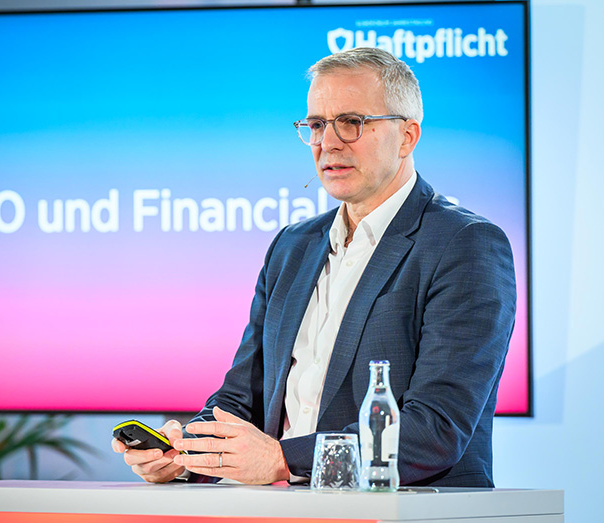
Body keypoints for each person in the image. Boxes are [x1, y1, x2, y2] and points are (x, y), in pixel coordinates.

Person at [112, 47, 516, 487]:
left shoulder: (465, 244)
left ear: (407, 136)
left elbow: (436, 429)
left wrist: (283, 459)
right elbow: (242, 398)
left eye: (351, 122)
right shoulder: (292, 246)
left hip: (405, 508)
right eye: (318, 125)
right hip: (286, 510)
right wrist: (186, 451)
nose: (329, 142)